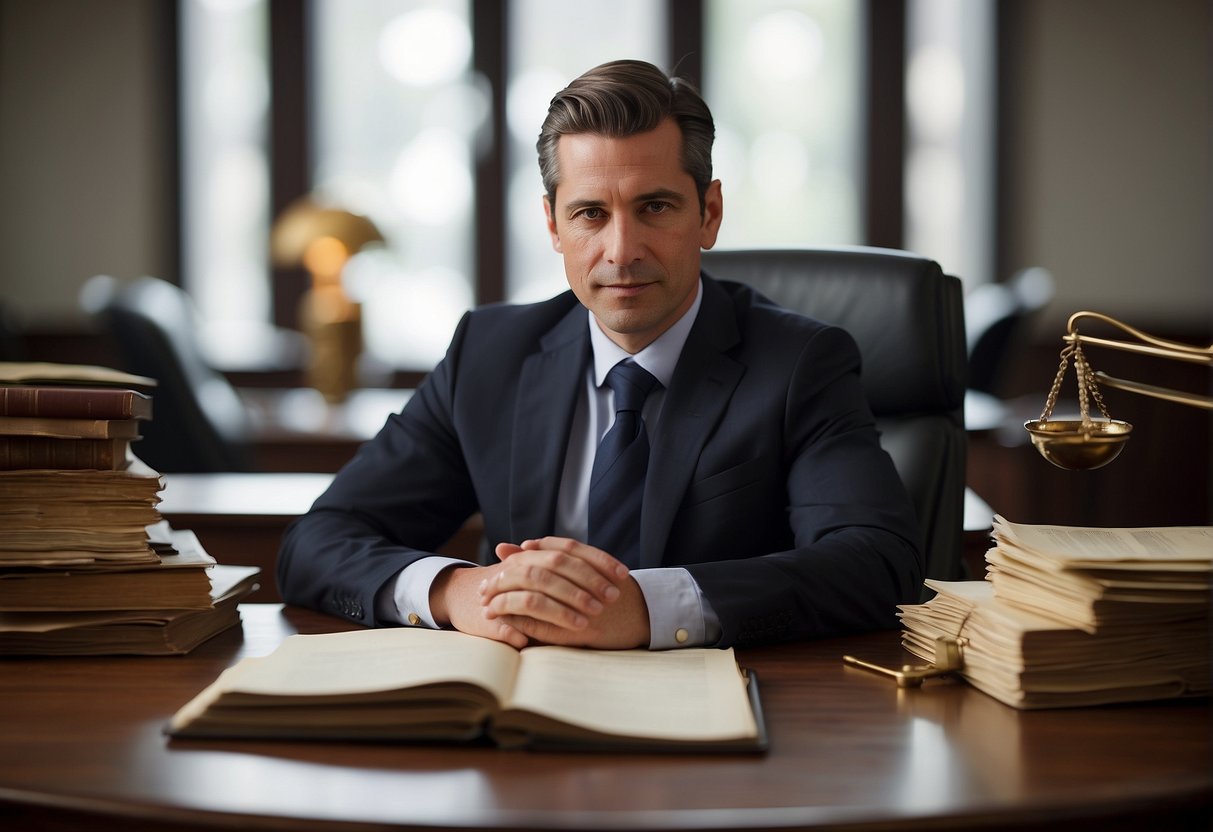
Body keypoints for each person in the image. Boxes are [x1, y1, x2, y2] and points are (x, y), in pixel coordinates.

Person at [277, 59, 923, 650]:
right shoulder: (489, 355)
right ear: (554, 226)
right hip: (520, 730)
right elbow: (317, 542)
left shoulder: (800, 363)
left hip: (717, 727)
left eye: (655, 207)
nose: (620, 251)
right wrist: (457, 592)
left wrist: (647, 607)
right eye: (590, 213)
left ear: (709, 212)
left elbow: (874, 563)